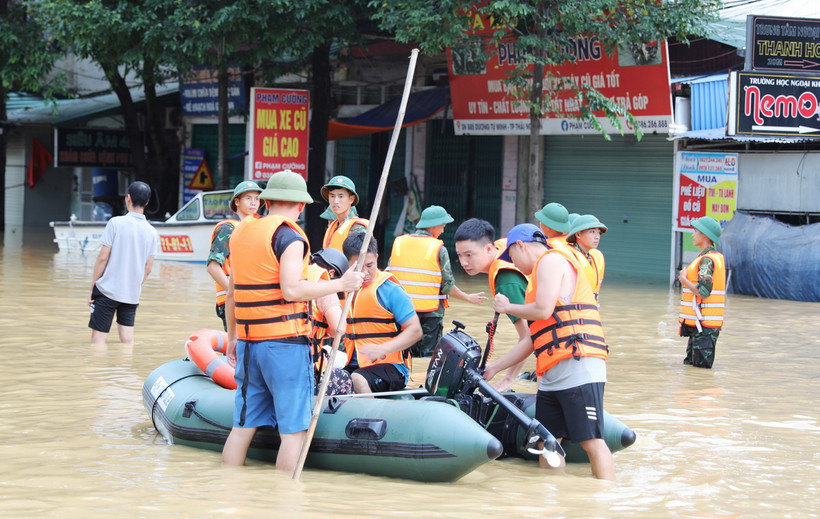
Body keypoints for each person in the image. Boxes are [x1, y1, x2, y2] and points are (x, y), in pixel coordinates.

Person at [221, 170, 364, 471]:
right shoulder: (290, 236)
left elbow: (231, 293)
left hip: (248, 341)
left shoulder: (240, 232)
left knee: (242, 427)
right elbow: (291, 289)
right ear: (301, 206)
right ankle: (283, 502)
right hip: (284, 345)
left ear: (266, 201)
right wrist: (342, 285)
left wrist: (232, 337)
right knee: (293, 434)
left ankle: (228, 494)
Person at [483, 223, 615, 480]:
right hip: (554, 372)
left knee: (592, 441)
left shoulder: (551, 260)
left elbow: (543, 310)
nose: (514, 264)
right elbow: (533, 339)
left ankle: (604, 502)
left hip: (579, 363)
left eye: (512, 257)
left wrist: (508, 306)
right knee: (547, 443)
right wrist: (494, 368)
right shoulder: (538, 275)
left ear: (520, 245)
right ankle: (551, 500)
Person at [387, 205, 487, 357]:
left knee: (402, 356)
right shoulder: (438, 248)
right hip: (430, 316)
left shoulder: (399, 243)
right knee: (427, 359)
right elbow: (447, 286)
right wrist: (468, 297)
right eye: (442, 226)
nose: (443, 230)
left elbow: (388, 276)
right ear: (433, 226)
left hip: (402, 313)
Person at [453, 218, 530, 391]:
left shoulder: (506, 281)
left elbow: (529, 337)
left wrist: (507, 378)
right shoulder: (503, 247)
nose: (463, 262)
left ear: (489, 248)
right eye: (459, 255)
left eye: (469, 255)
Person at [342, 233, 422, 394]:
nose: (364, 272)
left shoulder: (390, 290)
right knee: (330, 378)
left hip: (392, 368)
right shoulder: (341, 288)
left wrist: (382, 349)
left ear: (377, 258)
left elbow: (415, 331)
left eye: (370, 265)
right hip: (354, 365)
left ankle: (372, 418)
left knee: (357, 378)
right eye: (358, 267)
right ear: (347, 263)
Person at [88, 181, 159, 345]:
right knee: (127, 342)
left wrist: (93, 286)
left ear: (128, 198)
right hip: (131, 294)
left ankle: (97, 371)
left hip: (107, 291)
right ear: (147, 202)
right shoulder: (152, 232)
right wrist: (132, 285)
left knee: (98, 342)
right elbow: (148, 269)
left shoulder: (115, 223)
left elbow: (103, 258)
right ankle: (126, 369)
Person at [206, 181, 262, 330]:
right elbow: (213, 267)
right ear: (237, 202)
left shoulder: (258, 228)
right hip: (232, 302)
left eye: (257, 199)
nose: (253, 203)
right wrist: (235, 293)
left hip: (252, 299)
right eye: (248, 198)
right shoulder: (227, 229)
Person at [678, 216, 725, 369]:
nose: (692, 234)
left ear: (705, 235)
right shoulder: (707, 258)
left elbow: (703, 292)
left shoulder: (707, 261)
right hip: (701, 326)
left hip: (704, 327)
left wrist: (684, 280)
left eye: (695, 231)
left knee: (700, 370)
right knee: (692, 369)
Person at [307, 248, 353, 395]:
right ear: (332, 273)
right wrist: (324, 333)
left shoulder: (297, 276)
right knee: (345, 378)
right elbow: (339, 327)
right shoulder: (324, 285)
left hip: (277, 355)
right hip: (307, 368)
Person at [565, 214, 607, 301]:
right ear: (578, 234)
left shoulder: (591, 257)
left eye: (599, 232)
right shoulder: (567, 258)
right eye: (592, 232)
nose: (597, 237)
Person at [321, 175, 368, 251]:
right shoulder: (334, 225)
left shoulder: (357, 227)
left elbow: (358, 260)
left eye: (341, 196)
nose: (335, 201)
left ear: (351, 199)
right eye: (332, 196)